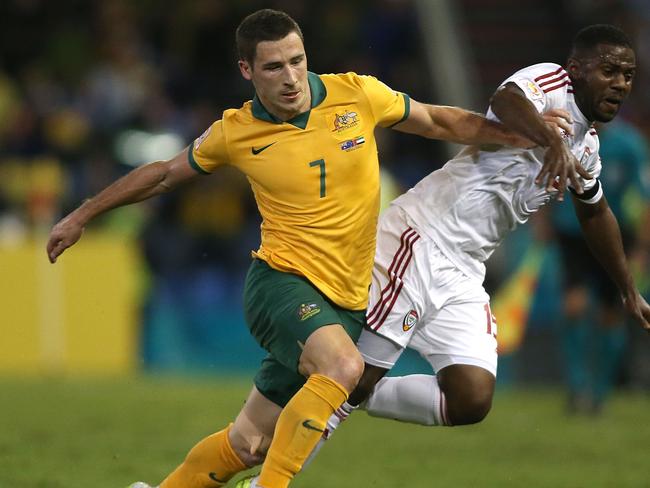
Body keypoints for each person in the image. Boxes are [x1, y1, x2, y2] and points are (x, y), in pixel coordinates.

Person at [46, 9, 581, 488]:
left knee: (249, 443)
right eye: (273, 67)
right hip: (282, 285)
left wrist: (523, 136)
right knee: (345, 368)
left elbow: (441, 121)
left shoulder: (358, 94)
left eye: (297, 61)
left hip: (348, 298)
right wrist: (83, 213)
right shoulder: (236, 131)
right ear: (247, 72)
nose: (290, 77)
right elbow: (164, 175)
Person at [297, 23, 650, 471]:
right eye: (609, 71)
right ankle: (268, 479)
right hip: (421, 238)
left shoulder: (589, 147)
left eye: (629, 74)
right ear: (577, 70)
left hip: (465, 268)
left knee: (471, 398)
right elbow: (506, 100)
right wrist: (548, 137)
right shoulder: (549, 86)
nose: (620, 83)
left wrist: (627, 288)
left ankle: (345, 389)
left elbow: (596, 213)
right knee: (358, 374)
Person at [551, 117, 650, 414]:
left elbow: (645, 197)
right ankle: (578, 388)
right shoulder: (563, 134)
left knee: (612, 315)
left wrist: (642, 248)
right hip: (572, 233)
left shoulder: (629, 144)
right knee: (574, 306)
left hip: (613, 233)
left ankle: (600, 393)